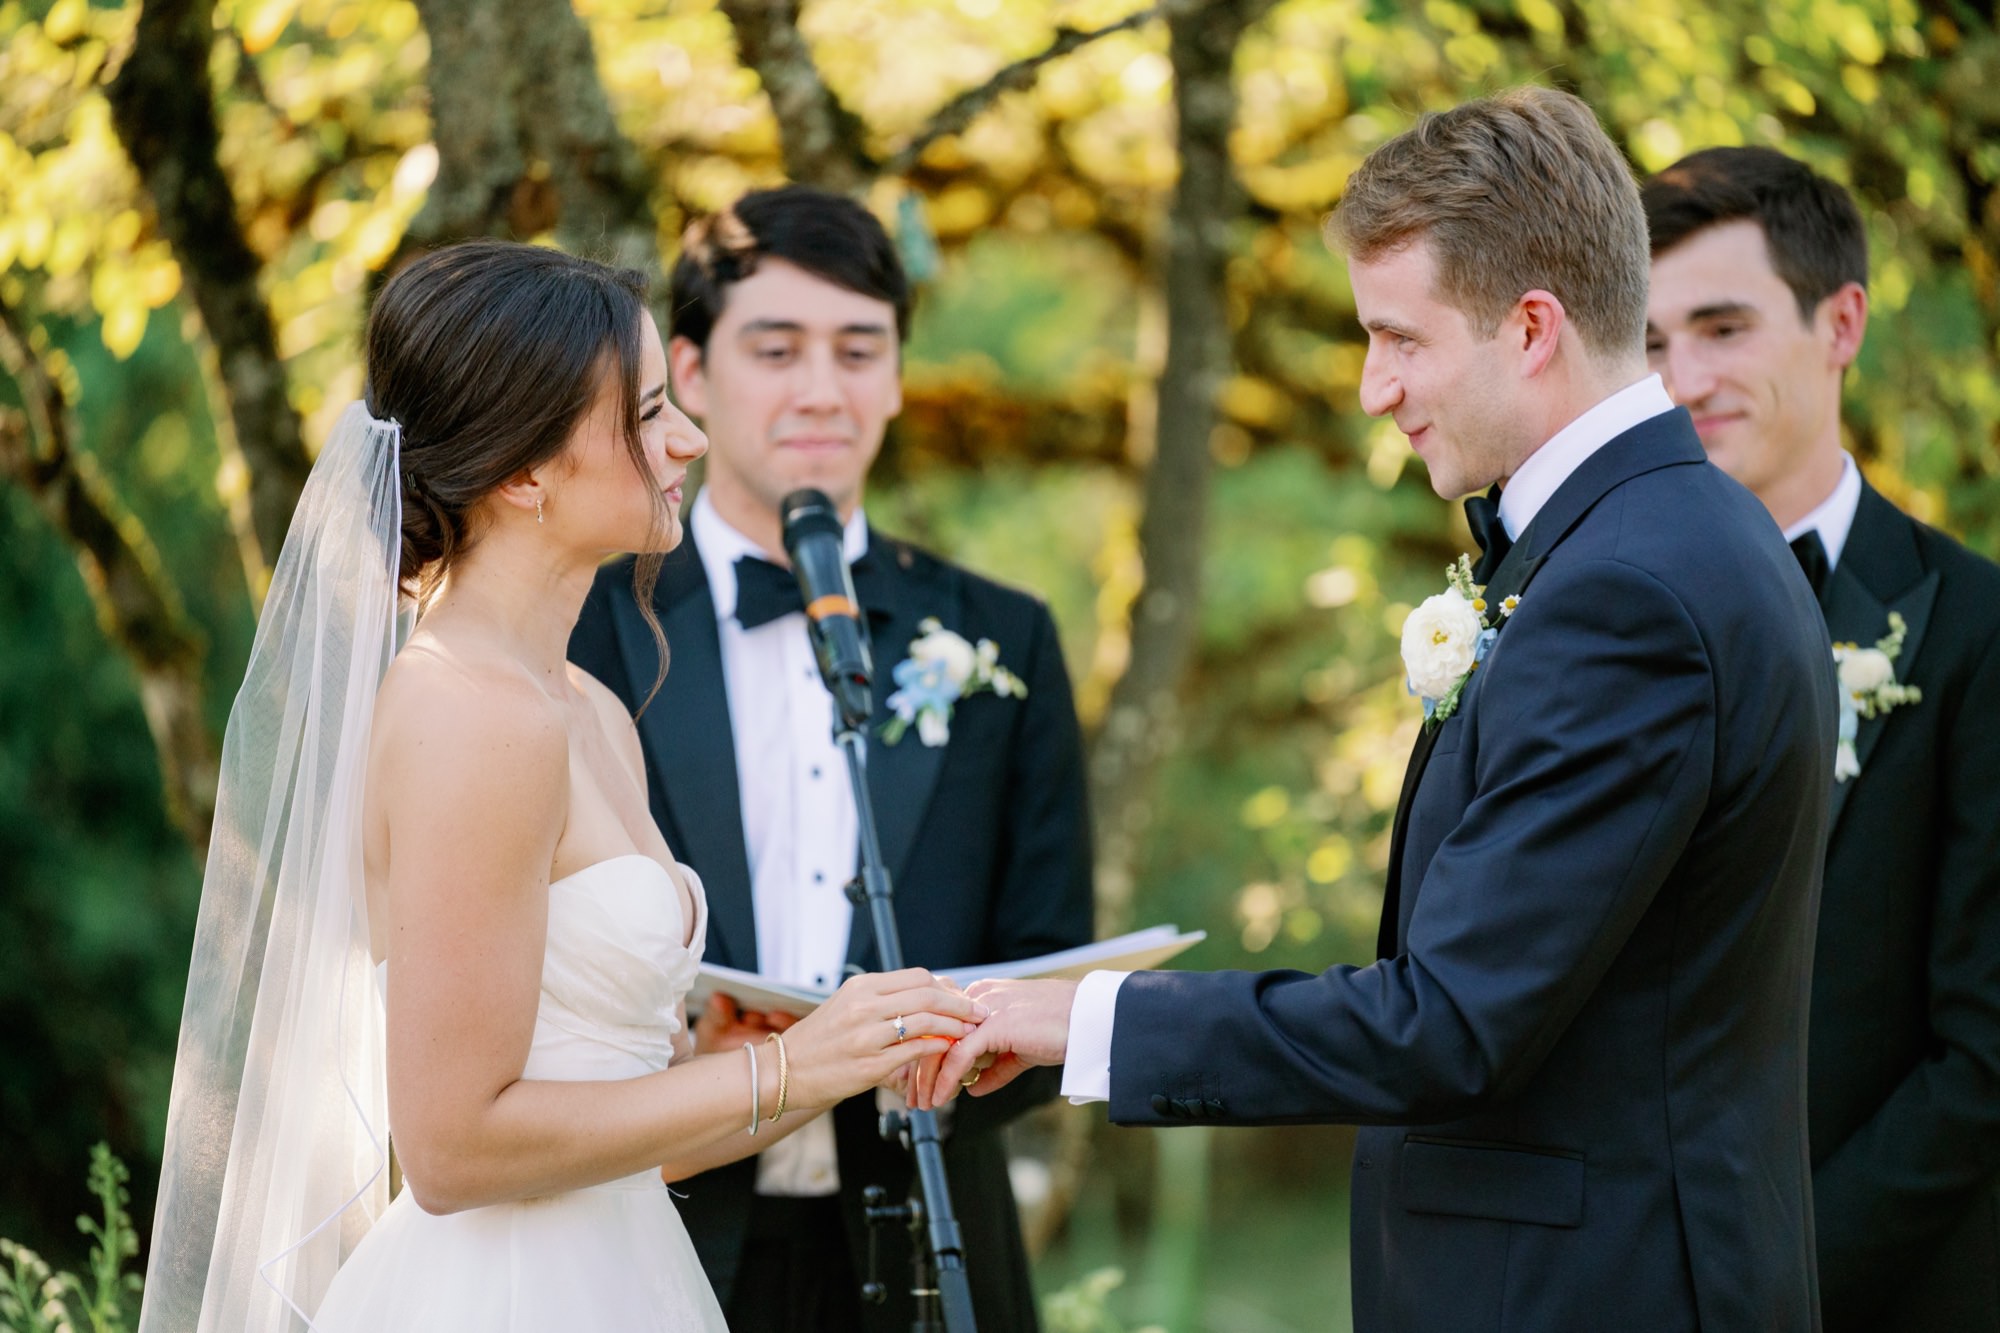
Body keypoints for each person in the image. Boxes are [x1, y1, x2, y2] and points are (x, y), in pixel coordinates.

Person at [922, 87, 1837, 1332]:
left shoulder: (1626, 588)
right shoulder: (1671, 537)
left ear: (1528, 327)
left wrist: (1081, 1020)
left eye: (1399, 339)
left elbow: (1448, 1022)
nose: (1370, 389)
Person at [136, 239, 981, 1333]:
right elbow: (450, 1147)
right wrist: (785, 1066)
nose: (688, 438)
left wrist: (832, 1059)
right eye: (644, 417)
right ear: (525, 470)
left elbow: (642, 1126)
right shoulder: (466, 712)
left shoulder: (583, 706)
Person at [567, 185, 1093, 1333]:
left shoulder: (1004, 638)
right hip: (650, 1234)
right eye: (777, 348)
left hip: (925, 1238)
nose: (822, 389)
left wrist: (937, 1051)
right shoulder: (579, 630)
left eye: (860, 350)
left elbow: (1051, 966)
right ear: (691, 378)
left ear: (899, 375)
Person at [1644, 146, 2000, 1332]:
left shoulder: (1974, 630)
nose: (1680, 378)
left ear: (1838, 322)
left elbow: (1982, 1059)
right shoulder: (1572, 627)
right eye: (1646, 344)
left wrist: (1765, 1285)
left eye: (1721, 328)